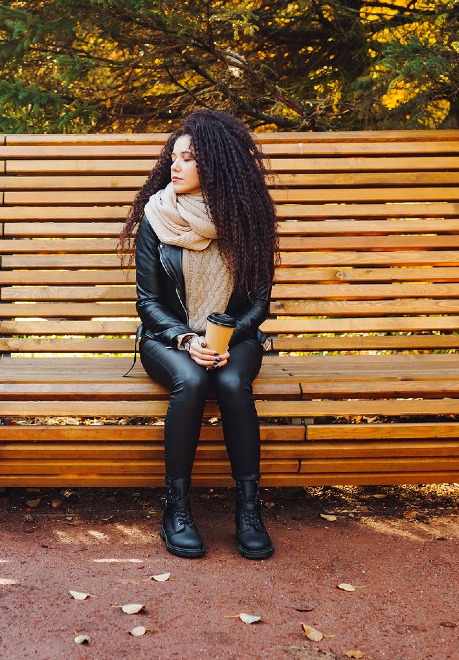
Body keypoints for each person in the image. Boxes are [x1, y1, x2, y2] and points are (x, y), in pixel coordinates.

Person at [119, 110, 280, 560]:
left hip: (237, 338)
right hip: (166, 339)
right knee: (191, 381)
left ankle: (248, 510)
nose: (176, 165)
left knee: (230, 383)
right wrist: (188, 341)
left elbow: (259, 303)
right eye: (175, 157)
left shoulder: (247, 220)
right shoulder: (157, 215)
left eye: (189, 158)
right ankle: (177, 509)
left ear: (216, 164)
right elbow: (148, 302)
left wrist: (224, 340)